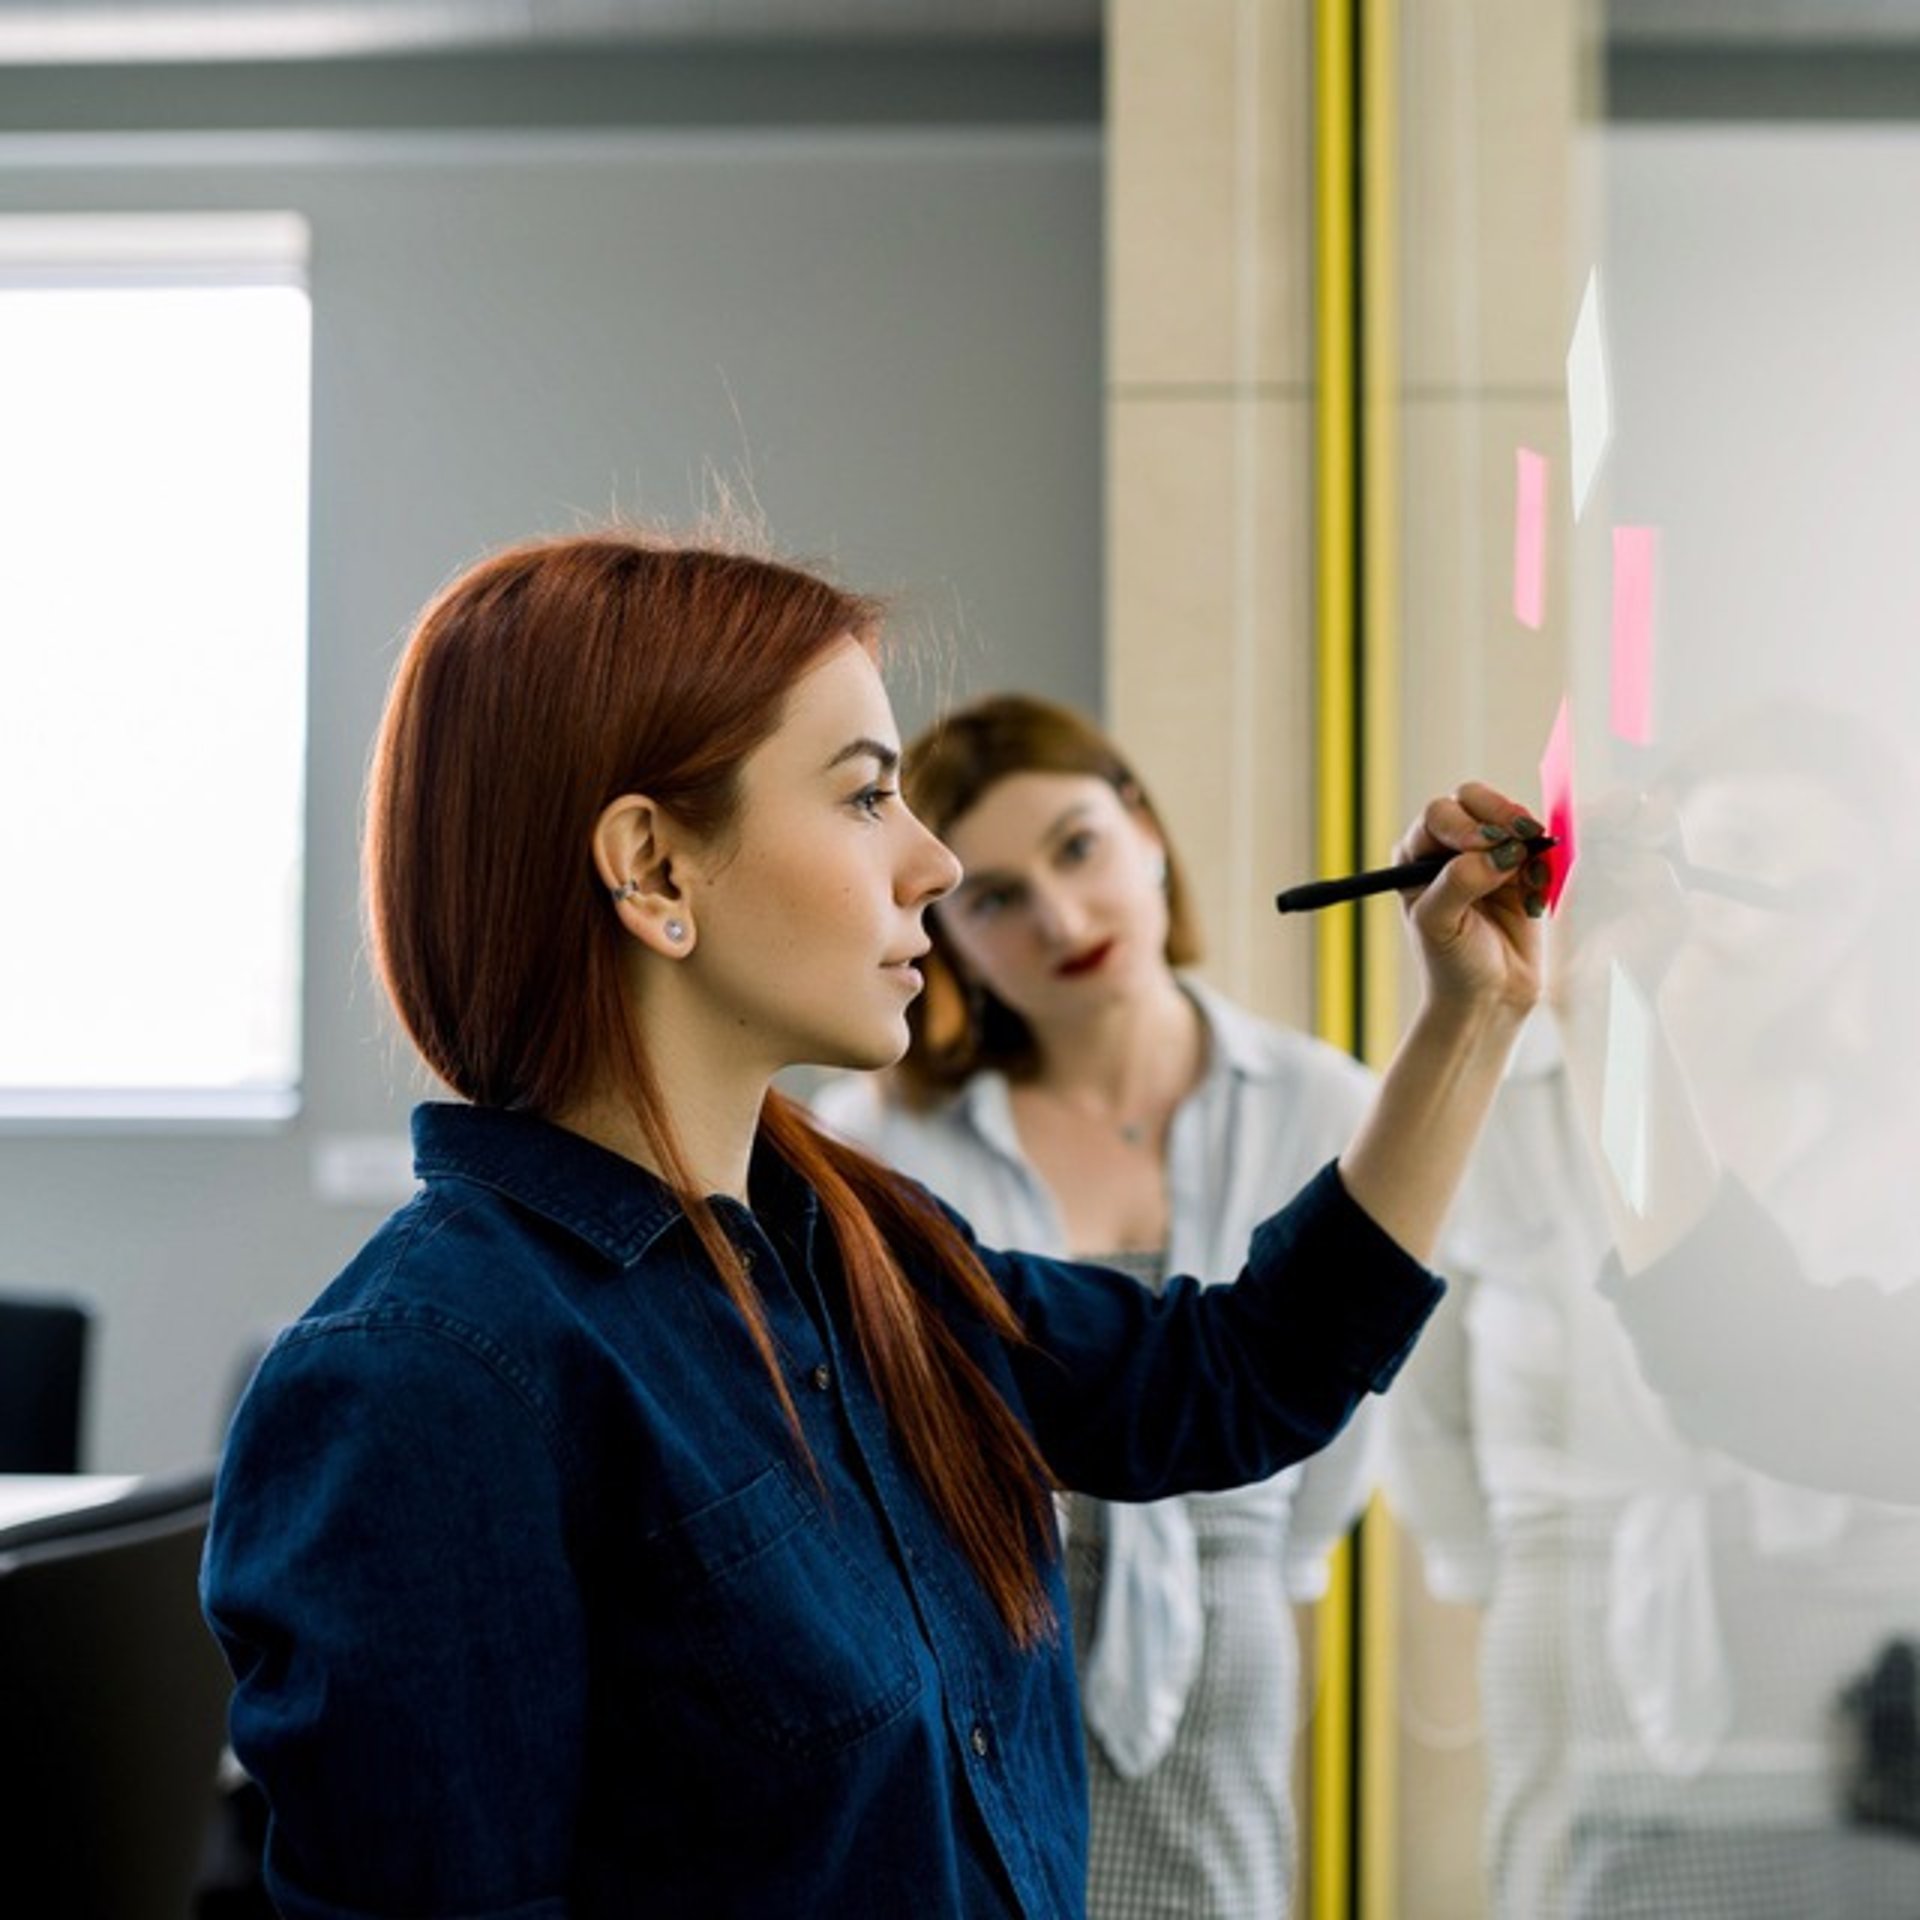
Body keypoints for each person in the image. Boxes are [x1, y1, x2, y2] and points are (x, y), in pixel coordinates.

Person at [201, 526, 1543, 1920]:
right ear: (654, 871)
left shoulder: (862, 1249)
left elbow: (1238, 1379)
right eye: (864, 799)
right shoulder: (425, 1383)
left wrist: (1470, 1019)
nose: (937, 868)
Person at [811, 692, 1400, 1918]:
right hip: (978, 1652)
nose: (1061, 919)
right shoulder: (876, 1142)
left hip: (1225, 1656)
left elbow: (1333, 1433)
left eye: (1077, 848)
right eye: (997, 899)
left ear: (1145, 830)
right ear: (950, 932)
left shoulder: (1328, 1108)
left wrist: (1237, 1566)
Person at [1388, 706, 1920, 1919]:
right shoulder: (1506, 1119)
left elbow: (1763, 1367)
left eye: (1822, 886)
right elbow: (1742, 1358)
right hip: (1579, 1660)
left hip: (1846, 1698)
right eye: (1741, 847)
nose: (1768, 901)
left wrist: (1600, 1005)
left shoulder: (1893, 1132)